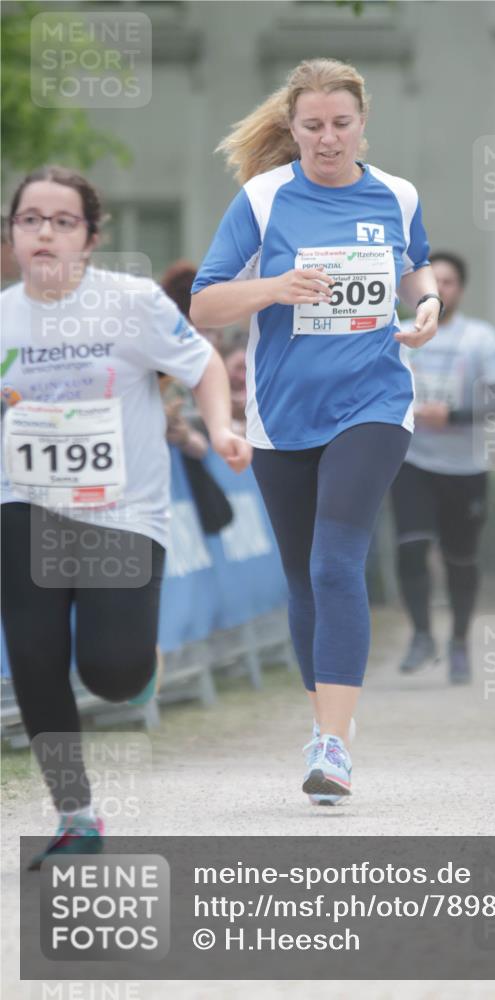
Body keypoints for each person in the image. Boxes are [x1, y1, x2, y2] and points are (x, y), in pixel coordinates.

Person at [190, 58, 440, 805]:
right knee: (302, 577)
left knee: (336, 565)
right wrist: (274, 287)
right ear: (292, 128)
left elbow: (416, 266)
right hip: (283, 414)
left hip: (374, 401)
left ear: (363, 123)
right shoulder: (263, 199)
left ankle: (333, 747)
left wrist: (426, 305)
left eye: (340, 124)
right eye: (312, 126)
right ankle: (328, 718)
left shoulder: (397, 194)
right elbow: (204, 305)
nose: (328, 138)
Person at [0, 166, 251, 869]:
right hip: (25, 505)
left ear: (90, 237)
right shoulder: (3, 317)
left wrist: (220, 429)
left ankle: (138, 664)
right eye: (30, 220)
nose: (44, 232)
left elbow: (203, 365)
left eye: (63, 221)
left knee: (112, 672)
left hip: (121, 511)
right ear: (12, 234)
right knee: (35, 661)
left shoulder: (131, 302)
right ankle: (75, 813)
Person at [390, 251, 495, 681]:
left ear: (460, 290)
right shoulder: (398, 331)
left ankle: (459, 639)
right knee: (410, 548)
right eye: (435, 281)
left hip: (465, 467)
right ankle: (422, 634)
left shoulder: (480, 338)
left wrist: (454, 416)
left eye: (449, 282)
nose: (440, 289)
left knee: (460, 560)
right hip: (413, 460)